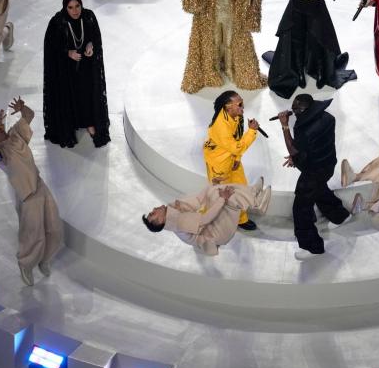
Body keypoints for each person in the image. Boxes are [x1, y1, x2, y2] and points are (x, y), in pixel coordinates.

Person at [0, 97, 64, 286]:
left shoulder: (15, 135)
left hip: (40, 186)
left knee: (55, 229)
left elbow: (29, 115)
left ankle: (44, 259)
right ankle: (25, 265)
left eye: (0, 127)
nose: (1, 130)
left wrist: (22, 108)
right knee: (33, 235)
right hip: (27, 197)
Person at [180, 0, 267, 93]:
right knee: (213, 42)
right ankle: (212, 71)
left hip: (231, 17)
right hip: (213, 16)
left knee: (228, 43)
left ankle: (229, 70)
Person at [275, 94, 350, 260]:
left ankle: (312, 247)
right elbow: (313, 147)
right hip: (327, 164)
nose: (293, 111)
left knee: (301, 207)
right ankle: (340, 215)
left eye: (296, 109)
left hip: (313, 170)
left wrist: (285, 127)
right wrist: (298, 156)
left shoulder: (304, 130)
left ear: (304, 109)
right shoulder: (328, 118)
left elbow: (294, 149)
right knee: (320, 188)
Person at [43, 0, 110, 148]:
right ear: (65, 8)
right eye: (70, 7)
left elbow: (96, 37)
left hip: (86, 66)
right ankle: (71, 123)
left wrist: (90, 46)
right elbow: (51, 47)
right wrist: (68, 53)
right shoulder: (58, 22)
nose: (75, 11)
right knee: (70, 96)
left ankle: (89, 122)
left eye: (77, 6)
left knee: (87, 94)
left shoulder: (88, 17)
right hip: (66, 70)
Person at [142, 181, 271, 256]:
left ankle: (253, 193)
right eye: (153, 214)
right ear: (160, 221)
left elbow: (198, 200)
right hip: (216, 233)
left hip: (209, 227)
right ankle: (258, 203)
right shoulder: (177, 222)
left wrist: (211, 185)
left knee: (215, 190)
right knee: (227, 197)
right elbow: (205, 219)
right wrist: (222, 198)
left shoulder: (172, 210)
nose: (153, 209)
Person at [203, 91, 262, 230]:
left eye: (242, 102)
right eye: (240, 104)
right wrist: (252, 131)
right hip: (219, 164)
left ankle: (241, 219)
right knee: (220, 195)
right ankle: (208, 220)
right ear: (228, 107)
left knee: (240, 189)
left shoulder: (237, 116)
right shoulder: (220, 126)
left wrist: (237, 157)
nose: (243, 107)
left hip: (231, 158)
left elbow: (237, 139)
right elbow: (236, 146)